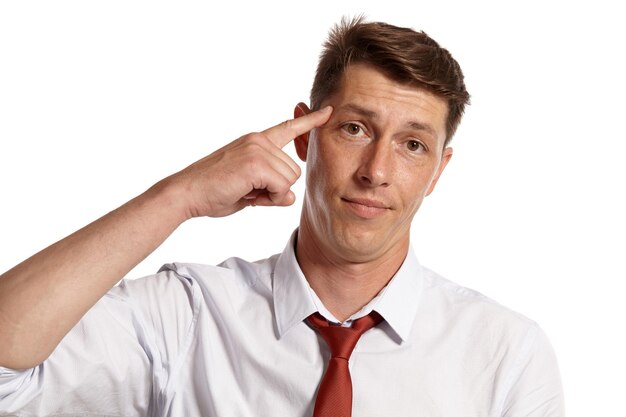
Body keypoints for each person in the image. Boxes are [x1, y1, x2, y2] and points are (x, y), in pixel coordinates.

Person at [0, 17, 564, 416]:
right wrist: (179, 196)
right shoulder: (188, 316)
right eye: (355, 129)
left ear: (438, 170)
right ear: (305, 133)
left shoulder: (504, 352)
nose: (376, 171)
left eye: (412, 145)